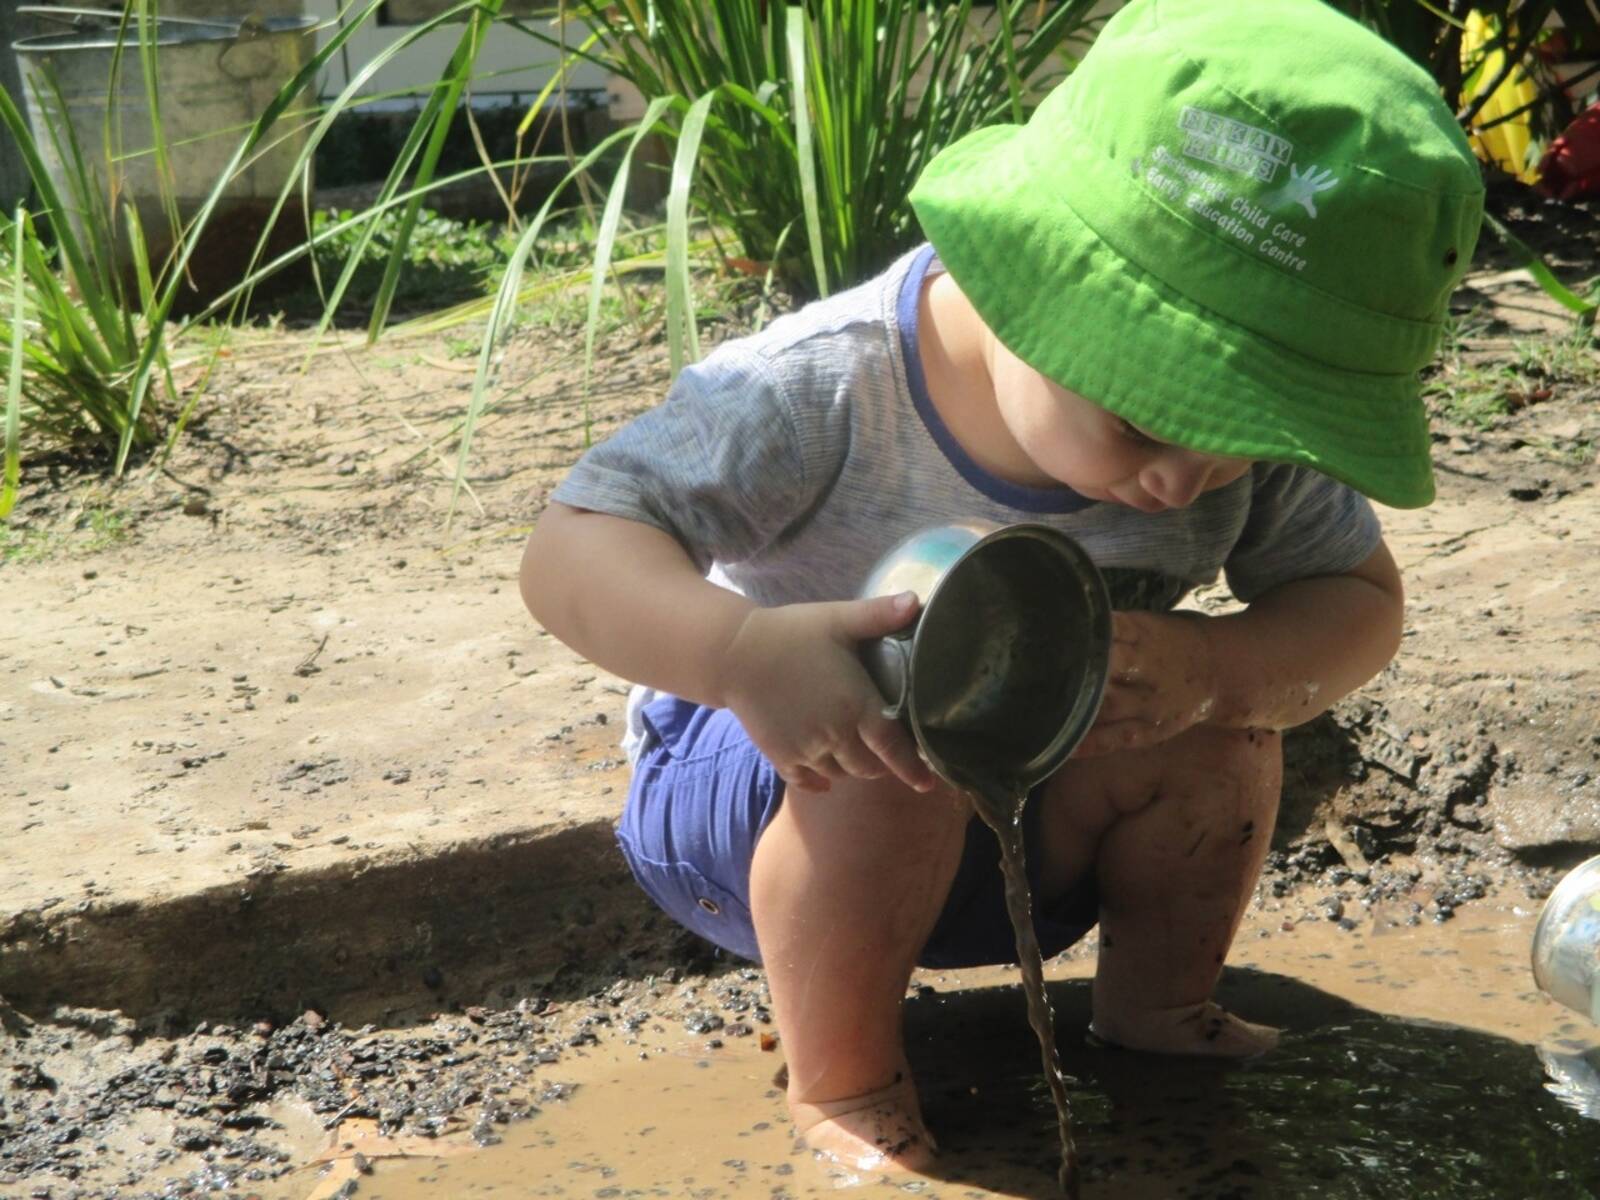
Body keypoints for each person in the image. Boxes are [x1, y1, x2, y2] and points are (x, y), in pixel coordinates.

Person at [519, 0, 1484, 1178]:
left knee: (1228, 727)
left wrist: (1223, 672)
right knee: (896, 739)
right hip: (761, 800)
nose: (1186, 476)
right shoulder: (821, 391)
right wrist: (736, 655)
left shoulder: (1228, 455)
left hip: (1030, 826)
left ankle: (1156, 1009)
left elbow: (1358, 601)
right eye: (1142, 418)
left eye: (1240, 437)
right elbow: (570, 548)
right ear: (1026, 273)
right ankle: (844, 1083)